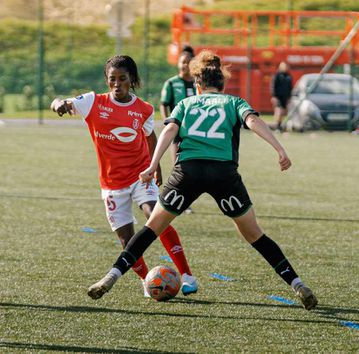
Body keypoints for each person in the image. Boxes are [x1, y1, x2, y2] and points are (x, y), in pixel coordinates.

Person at [87, 50, 318, 311]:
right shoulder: (234, 102)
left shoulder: (186, 104)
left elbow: (170, 129)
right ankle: (297, 283)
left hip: (188, 172)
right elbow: (253, 121)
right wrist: (279, 149)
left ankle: (111, 277)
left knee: (151, 229)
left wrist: (153, 165)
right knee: (255, 235)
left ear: (197, 85)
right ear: (223, 83)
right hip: (223, 175)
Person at [50, 54, 198, 297]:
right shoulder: (92, 102)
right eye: (112, 79)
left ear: (132, 80)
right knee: (126, 239)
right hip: (111, 184)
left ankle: (187, 275)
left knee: (155, 215)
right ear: (107, 81)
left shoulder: (144, 109)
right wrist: (59, 105)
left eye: (122, 79)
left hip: (140, 175)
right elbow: (59, 101)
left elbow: (150, 136)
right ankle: (146, 280)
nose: (117, 84)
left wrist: (155, 166)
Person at [160, 45, 196, 214]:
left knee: (193, 168)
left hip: (195, 133)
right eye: (182, 62)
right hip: (178, 132)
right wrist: (168, 123)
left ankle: (184, 201)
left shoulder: (198, 83)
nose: (184, 65)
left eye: (188, 62)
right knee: (178, 167)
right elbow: (164, 104)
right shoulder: (171, 83)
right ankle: (176, 201)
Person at [270, 61, 293, 131]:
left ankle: (280, 125)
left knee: (283, 112)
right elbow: (273, 86)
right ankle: (276, 125)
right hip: (278, 97)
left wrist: (289, 97)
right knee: (278, 111)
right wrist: (274, 96)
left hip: (285, 97)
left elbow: (290, 88)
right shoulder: (277, 75)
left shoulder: (289, 76)